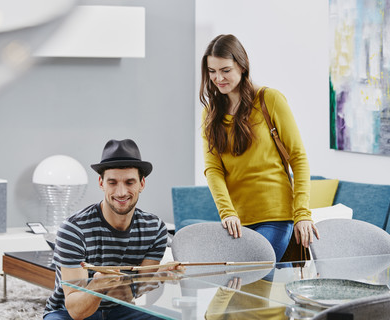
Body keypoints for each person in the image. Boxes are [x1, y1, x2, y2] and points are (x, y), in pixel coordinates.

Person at [199, 34, 319, 262]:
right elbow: (213, 169)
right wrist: (227, 212)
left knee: (251, 278)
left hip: (276, 215)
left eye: (225, 70)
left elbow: (298, 158)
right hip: (237, 222)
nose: (218, 78)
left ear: (242, 66)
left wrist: (302, 213)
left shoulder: (269, 99)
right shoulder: (211, 113)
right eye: (212, 71)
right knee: (253, 290)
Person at [43, 139, 171, 320]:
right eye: (112, 182)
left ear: (142, 184)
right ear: (101, 183)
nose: (121, 192)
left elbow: (132, 293)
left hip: (120, 310)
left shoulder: (155, 229)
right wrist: (97, 287)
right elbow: (76, 310)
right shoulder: (73, 229)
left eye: (129, 182)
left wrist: (162, 275)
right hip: (67, 312)